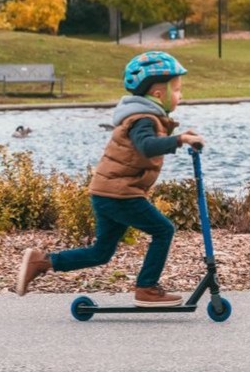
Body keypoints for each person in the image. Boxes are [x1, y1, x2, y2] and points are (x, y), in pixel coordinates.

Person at [15, 51, 204, 306]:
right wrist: (179, 140)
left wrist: (180, 138)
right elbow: (147, 146)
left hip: (107, 193)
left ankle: (42, 261)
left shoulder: (144, 118)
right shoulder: (143, 120)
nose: (181, 96)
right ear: (159, 94)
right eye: (178, 90)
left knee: (101, 253)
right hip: (120, 195)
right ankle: (146, 288)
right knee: (163, 230)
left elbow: (151, 141)